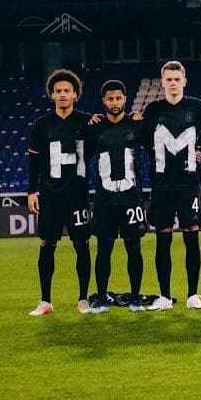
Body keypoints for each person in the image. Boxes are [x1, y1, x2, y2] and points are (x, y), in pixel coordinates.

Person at [141, 61, 201, 311]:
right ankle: (164, 296)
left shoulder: (197, 108)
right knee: (163, 239)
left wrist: (199, 146)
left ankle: (193, 294)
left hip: (188, 185)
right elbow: (141, 137)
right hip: (162, 186)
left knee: (191, 236)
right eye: (169, 79)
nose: (173, 83)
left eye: (177, 79)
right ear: (162, 82)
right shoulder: (153, 110)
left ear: (184, 81)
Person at [27, 69, 93, 315]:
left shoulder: (87, 122)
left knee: (82, 244)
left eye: (67, 91)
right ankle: (45, 301)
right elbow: (33, 162)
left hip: (77, 196)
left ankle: (83, 299)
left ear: (75, 94)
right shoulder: (41, 125)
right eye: (58, 91)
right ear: (52, 95)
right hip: (50, 195)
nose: (63, 95)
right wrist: (31, 191)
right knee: (46, 244)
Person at [86, 80, 148, 313]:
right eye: (110, 99)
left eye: (118, 98)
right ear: (104, 101)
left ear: (125, 99)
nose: (114, 103)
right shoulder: (94, 127)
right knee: (104, 249)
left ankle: (134, 298)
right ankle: (101, 298)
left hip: (131, 198)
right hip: (104, 200)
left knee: (134, 248)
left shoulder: (137, 125)